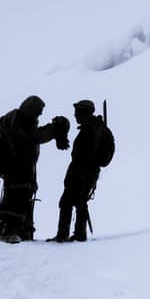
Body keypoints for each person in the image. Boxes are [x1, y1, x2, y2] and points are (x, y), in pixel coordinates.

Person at [0, 96, 69, 243]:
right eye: (38, 111)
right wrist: (53, 130)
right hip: (15, 168)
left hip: (21, 168)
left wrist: (51, 130)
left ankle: (21, 230)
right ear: (31, 109)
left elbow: (32, 138)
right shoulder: (17, 123)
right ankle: (10, 231)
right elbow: (30, 139)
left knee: (21, 196)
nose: (39, 114)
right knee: (16, 197)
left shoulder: (18, 121)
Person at [49, 99, 115, 243]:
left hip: (82, 172)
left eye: (77, 112)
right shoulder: (95, 127)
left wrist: (79, 170)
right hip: (87, 172)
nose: (75, 115)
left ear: (84, 113)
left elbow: (85, 155)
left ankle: (65, 234)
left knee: (68, 201)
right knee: (78, 201)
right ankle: (78, 233)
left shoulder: (90, 129)